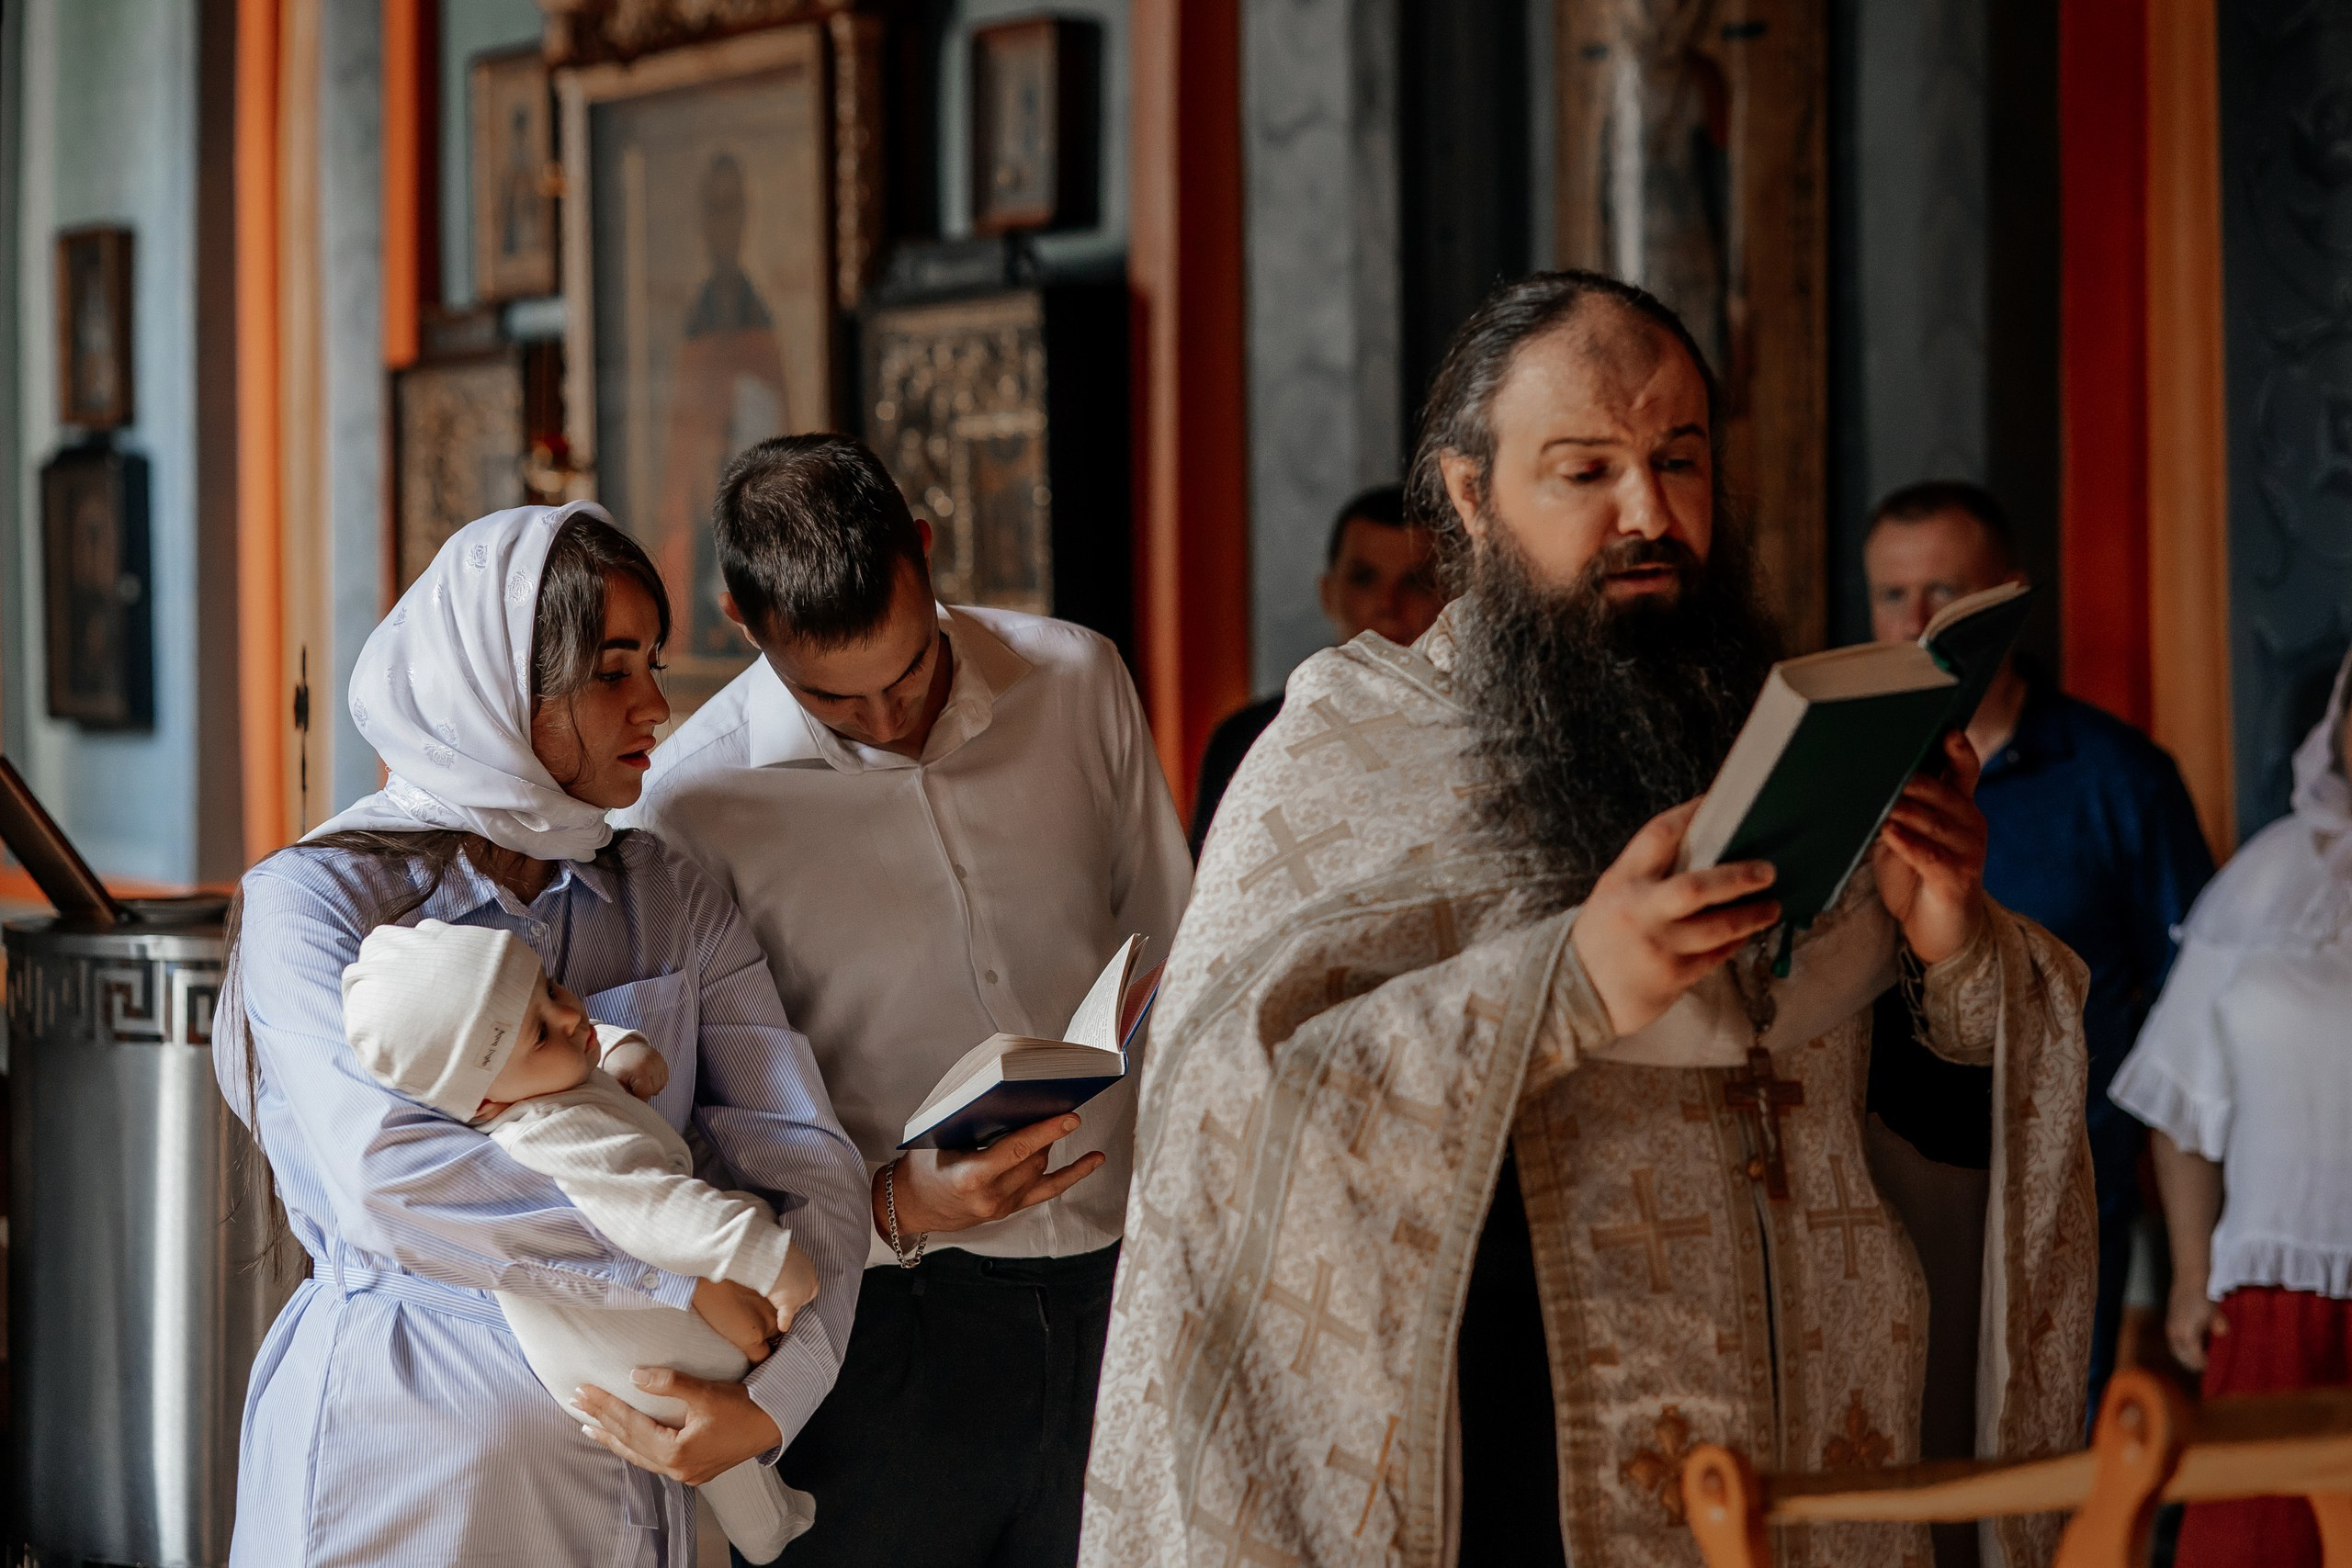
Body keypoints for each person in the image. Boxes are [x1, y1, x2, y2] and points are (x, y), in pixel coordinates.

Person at [1080, 273, 2096, 1568]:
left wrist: (1946, 943)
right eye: (1586, 471)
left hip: (1823, 1464)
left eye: (1679, 460)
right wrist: (1565, 984)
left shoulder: (1775, 732)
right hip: (1519, 1471)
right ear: (1470, 495)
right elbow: (1224, 1112)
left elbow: (1930, 1142)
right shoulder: (1350, 751)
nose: (1649, 513)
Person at [219, 502, 869, 1568]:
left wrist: (774, 1402)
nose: (655, 705)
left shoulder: (668, 899)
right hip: (403, 1468)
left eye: (652, 664)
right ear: (492, 688)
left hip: (635, 1488)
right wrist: (671, 1281)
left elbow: (805, 1158)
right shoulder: (315, 902)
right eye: (612, 673)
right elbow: (384, 1173)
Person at [625, 434, 1192, 1567]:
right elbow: (691, 1137)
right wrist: (895, 1208)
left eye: (909, 672)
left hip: (1129, 1285)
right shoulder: (688, 810)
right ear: (742, 620)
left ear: (924, 554)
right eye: (833, 698)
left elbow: (1174, 943)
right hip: (885, 1332)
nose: (887, 721)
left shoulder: (1078, 679)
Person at [1859, 481, 2212, 1460]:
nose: (1916, 623)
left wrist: (2193, 1256)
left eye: (1944, 594)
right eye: (1891, 596)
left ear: (2005, 600)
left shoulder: (2119, 777)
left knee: (2050, 1458)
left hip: (2068, 1185)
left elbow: (2194, 1011)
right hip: (1887, 1190)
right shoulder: (1848, 779)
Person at [339, 918, 824, 1562]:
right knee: (750, 1240)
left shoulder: (538, 1079)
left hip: (630, 1350)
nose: (569, 1014)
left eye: (549, 986)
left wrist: (620, 1046)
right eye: (540, 1030)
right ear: (482, 1104)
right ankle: (764, 1532)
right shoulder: (548, 1132)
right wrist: (769, 1260)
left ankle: (764, 1529)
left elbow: (573, 1043)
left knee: (722, 1454)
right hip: (639, 1349)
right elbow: (655, 1209)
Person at [2109, 651, 2352, 1568]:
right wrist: (2189, 1271)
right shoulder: (2264, 877)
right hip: (2269, 1298)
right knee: (2255, 1543)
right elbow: (2180, 1095)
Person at [1188, 484, 1443, 855]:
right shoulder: (1249, 738)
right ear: (1328, 593)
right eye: (1364, 579)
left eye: (1415, 583)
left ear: (1452, 598)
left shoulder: (1483, 733)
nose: (1388, 605)